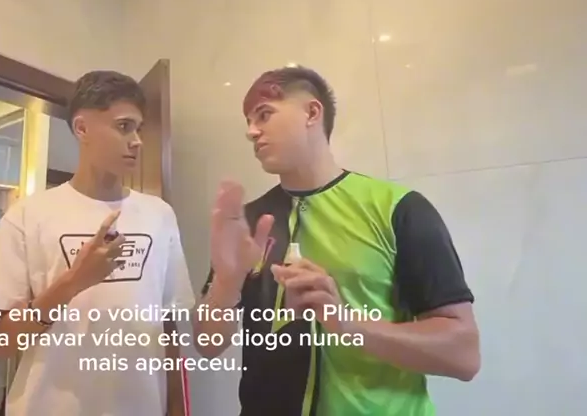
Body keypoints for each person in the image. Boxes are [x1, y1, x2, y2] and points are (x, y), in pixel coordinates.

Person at [194, 65, 480, 416]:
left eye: (264, 115)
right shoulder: (249, 224)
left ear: (312, 113)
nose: (251, 131)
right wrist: (226, 282)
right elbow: (207, 343)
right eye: (249, 122)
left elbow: (463, 355)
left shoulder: (397, 209)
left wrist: (346, 324)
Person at [0, 70, 194, 416]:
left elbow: (168, 328)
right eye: (124, 126)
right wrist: (73, 281)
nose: (137, 141)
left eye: (138, 128)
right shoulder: (28, 216)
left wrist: (177, 409)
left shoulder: (159, 215)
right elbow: (1, 342)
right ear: (82, 128)